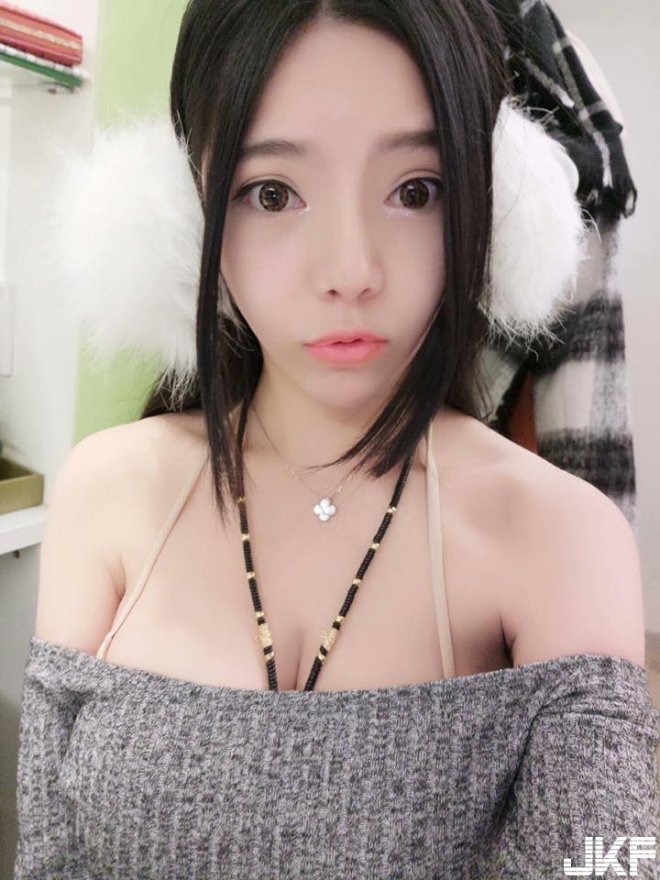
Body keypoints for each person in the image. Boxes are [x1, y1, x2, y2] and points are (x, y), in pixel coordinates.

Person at [14, 1, 660, 877]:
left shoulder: (564, 539)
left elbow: (610, 860)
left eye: (416, 191)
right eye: (272, 193)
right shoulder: (108, 492)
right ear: (185, 211)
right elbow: (50, 855)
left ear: (490, 207)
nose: (351, 272)